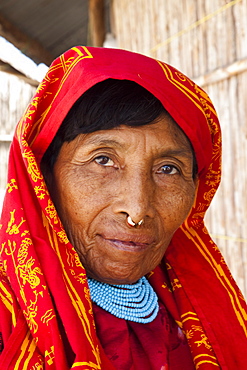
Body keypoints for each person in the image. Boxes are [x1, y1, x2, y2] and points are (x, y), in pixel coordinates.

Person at [0, 46, 246, 370]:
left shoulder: (204, 312)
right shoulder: (9, 318)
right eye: (103, 160)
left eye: (168, 169)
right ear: (42, 174)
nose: (137, 210)